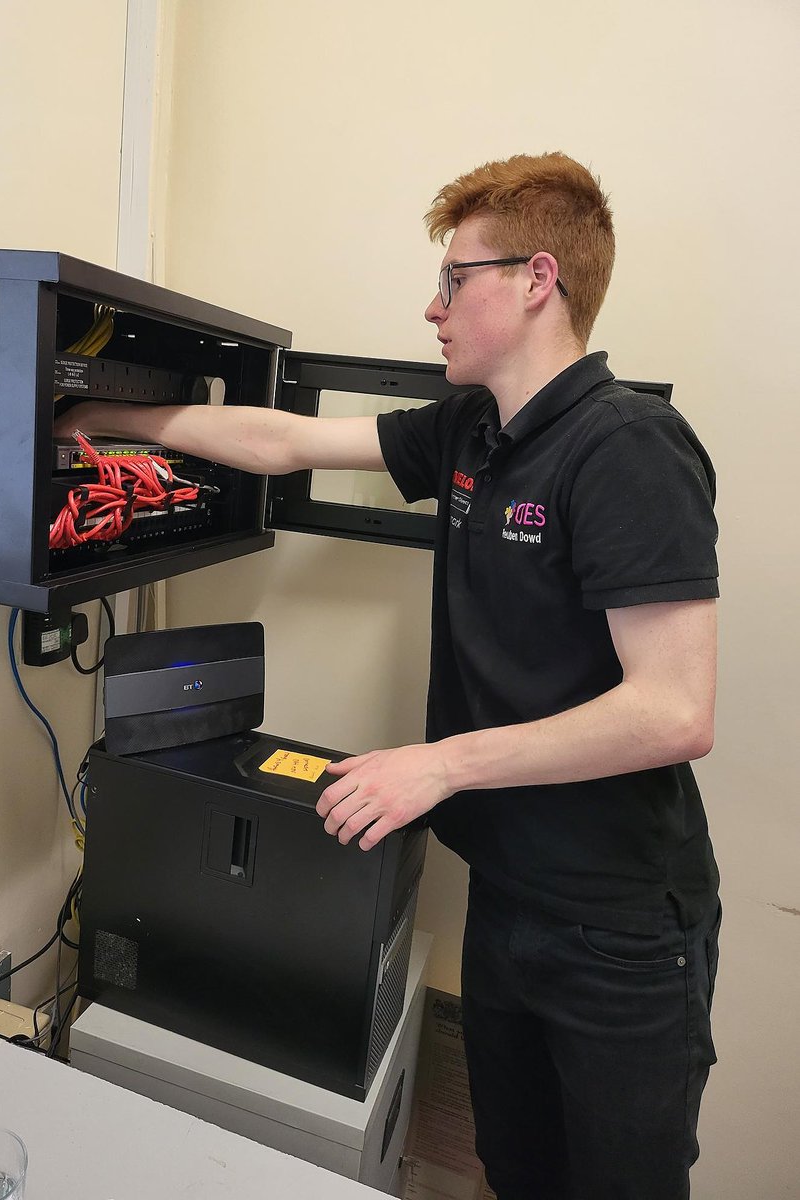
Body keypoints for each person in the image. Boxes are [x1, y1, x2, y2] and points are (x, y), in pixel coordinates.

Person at [56, 151, 720, 1200]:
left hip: (622, 925)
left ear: (538, 279)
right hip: (509, 890)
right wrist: (102, 420)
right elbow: (280, 440)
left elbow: (675, 711)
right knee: (520, 1166)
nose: (433, 306)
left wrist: (440, 765)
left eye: (456, 279)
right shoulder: (473, 428)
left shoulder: (626, 448)